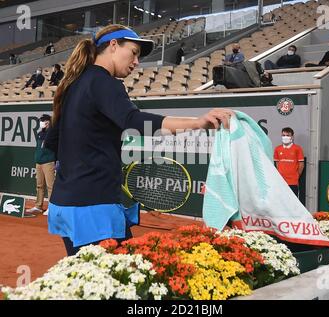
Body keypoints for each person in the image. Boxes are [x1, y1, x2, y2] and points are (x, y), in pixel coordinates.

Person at [44, 24, 234, 256]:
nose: (136, 62)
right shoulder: (105, 82)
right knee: (118, 283)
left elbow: (51, 143)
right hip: (93, 208)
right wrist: (198, 122)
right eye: (133, 53)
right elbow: (134, 120)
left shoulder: (71, 85)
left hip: (65, 206)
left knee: (87, 279)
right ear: (113, 45)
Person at [26, 114, 56, 216]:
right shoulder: (39, 134)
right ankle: (38, 206)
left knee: (50, 186)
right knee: (39, 186)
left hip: (48, 162)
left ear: (47, 122)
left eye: (42, 121)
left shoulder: (52, 134)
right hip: (39, 163)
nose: (41, 123)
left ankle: (52, 208)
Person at [274, 127, 305, 197]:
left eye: (288, 135)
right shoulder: (277, 149)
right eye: (283, 135)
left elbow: (301, 165)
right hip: (281, 181)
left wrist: (296, 175)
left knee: (293, 202)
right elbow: (277, 163)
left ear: (292, 137)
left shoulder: (298, 148)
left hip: (293, 182)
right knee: (281, 202)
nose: (285, 137)